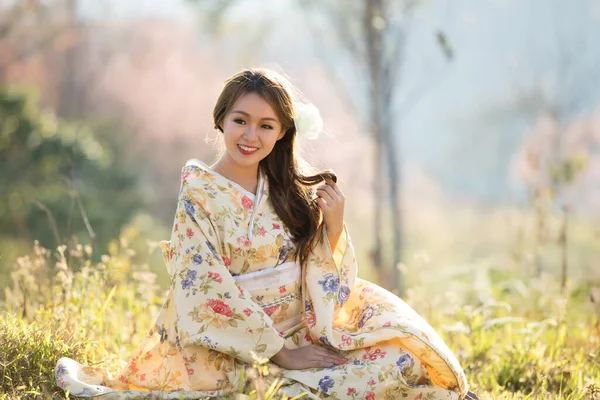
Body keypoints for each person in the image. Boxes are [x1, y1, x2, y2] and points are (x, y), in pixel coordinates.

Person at [55, 68, 470, 399]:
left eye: (266, 126)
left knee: (399, 357)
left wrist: (335, 224)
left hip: (299, 329)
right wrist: (282, 354)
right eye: (241, 120)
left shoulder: (285, 192)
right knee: (298, 392)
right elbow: (202, 287)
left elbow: (319, 275)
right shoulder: (199, 193)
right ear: (221, 120)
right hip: (228, 346)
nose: (251, 136)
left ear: (283, 132)